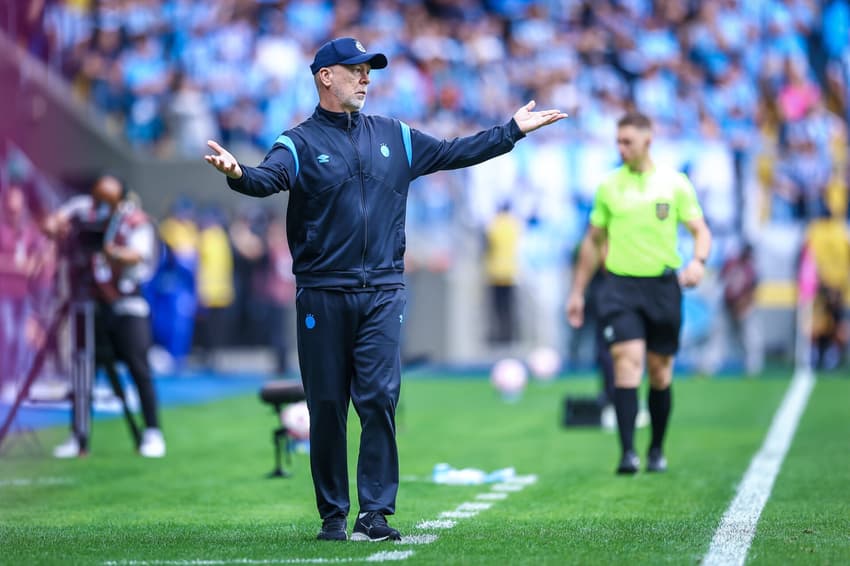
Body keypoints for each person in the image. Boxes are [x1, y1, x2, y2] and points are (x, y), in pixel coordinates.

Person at [204, 37, 566, 541]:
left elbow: (454, 152)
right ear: (325, 76)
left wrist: (510, 133)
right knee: (327, 406)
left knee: (378, 398)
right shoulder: (298, 142)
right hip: (323, 292)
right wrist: (238, 175)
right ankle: (333, 515)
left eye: (369, 70)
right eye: (355, 69)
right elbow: (267, 179)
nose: (366, 77)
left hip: (383, 292)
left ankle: (374, 513)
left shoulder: (396, 135)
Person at [566, 112, 712, 475]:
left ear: (648, 140)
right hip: (619, 287)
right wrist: (578, 292)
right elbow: (593, 242)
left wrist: (698, 261)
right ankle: (628, 452)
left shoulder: (674, 183)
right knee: (626, 364)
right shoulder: (609, 186)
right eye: (618, 141)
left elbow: (700, 230)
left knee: (660, 373)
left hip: (663, 287)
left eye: (627, 141)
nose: (621, 148)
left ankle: (657, 449)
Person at [45, 175, 166, 458]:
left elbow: (138, 255)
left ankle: (152, 432)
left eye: (108, 201)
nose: (100, 207)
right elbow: (53, 223)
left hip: (126, 302)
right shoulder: (82, 209)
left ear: (122, 200)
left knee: (138, 367)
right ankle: (79, 436)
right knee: (83, 370)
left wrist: (111, 252)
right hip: (90, 301)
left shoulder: (136, 221)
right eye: (98, 199)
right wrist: (59, 229)